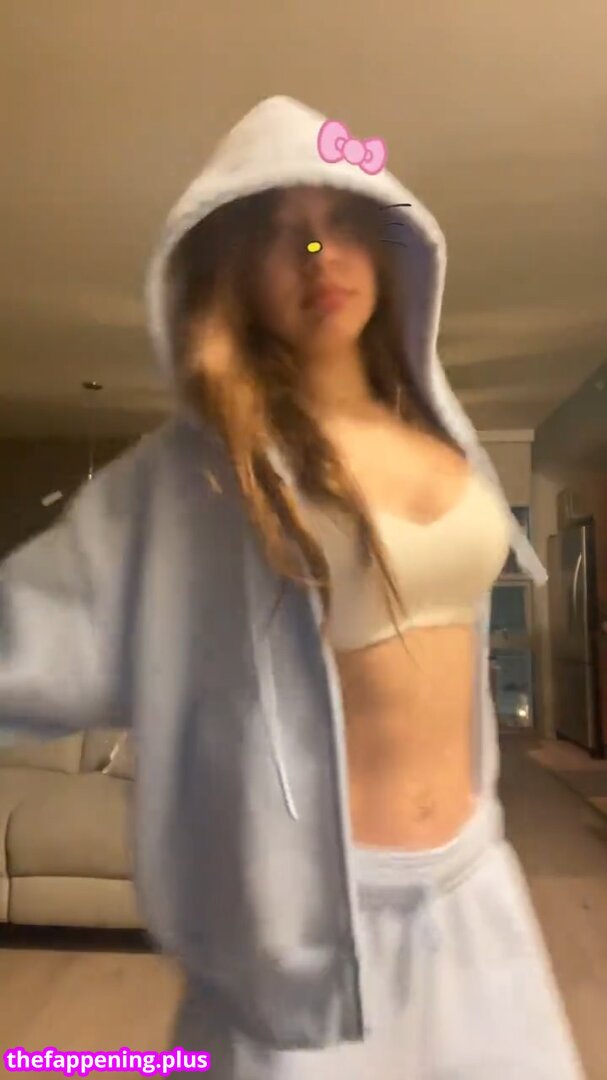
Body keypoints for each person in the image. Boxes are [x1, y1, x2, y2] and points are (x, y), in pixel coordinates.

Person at [0, 96, 585, 1078]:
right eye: (285, 235)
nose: (321, 255)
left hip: (474, 890)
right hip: (314, 929)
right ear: (232, 270)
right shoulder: (193, 475)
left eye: (342, 223)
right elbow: (27, 635)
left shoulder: (439, 433)